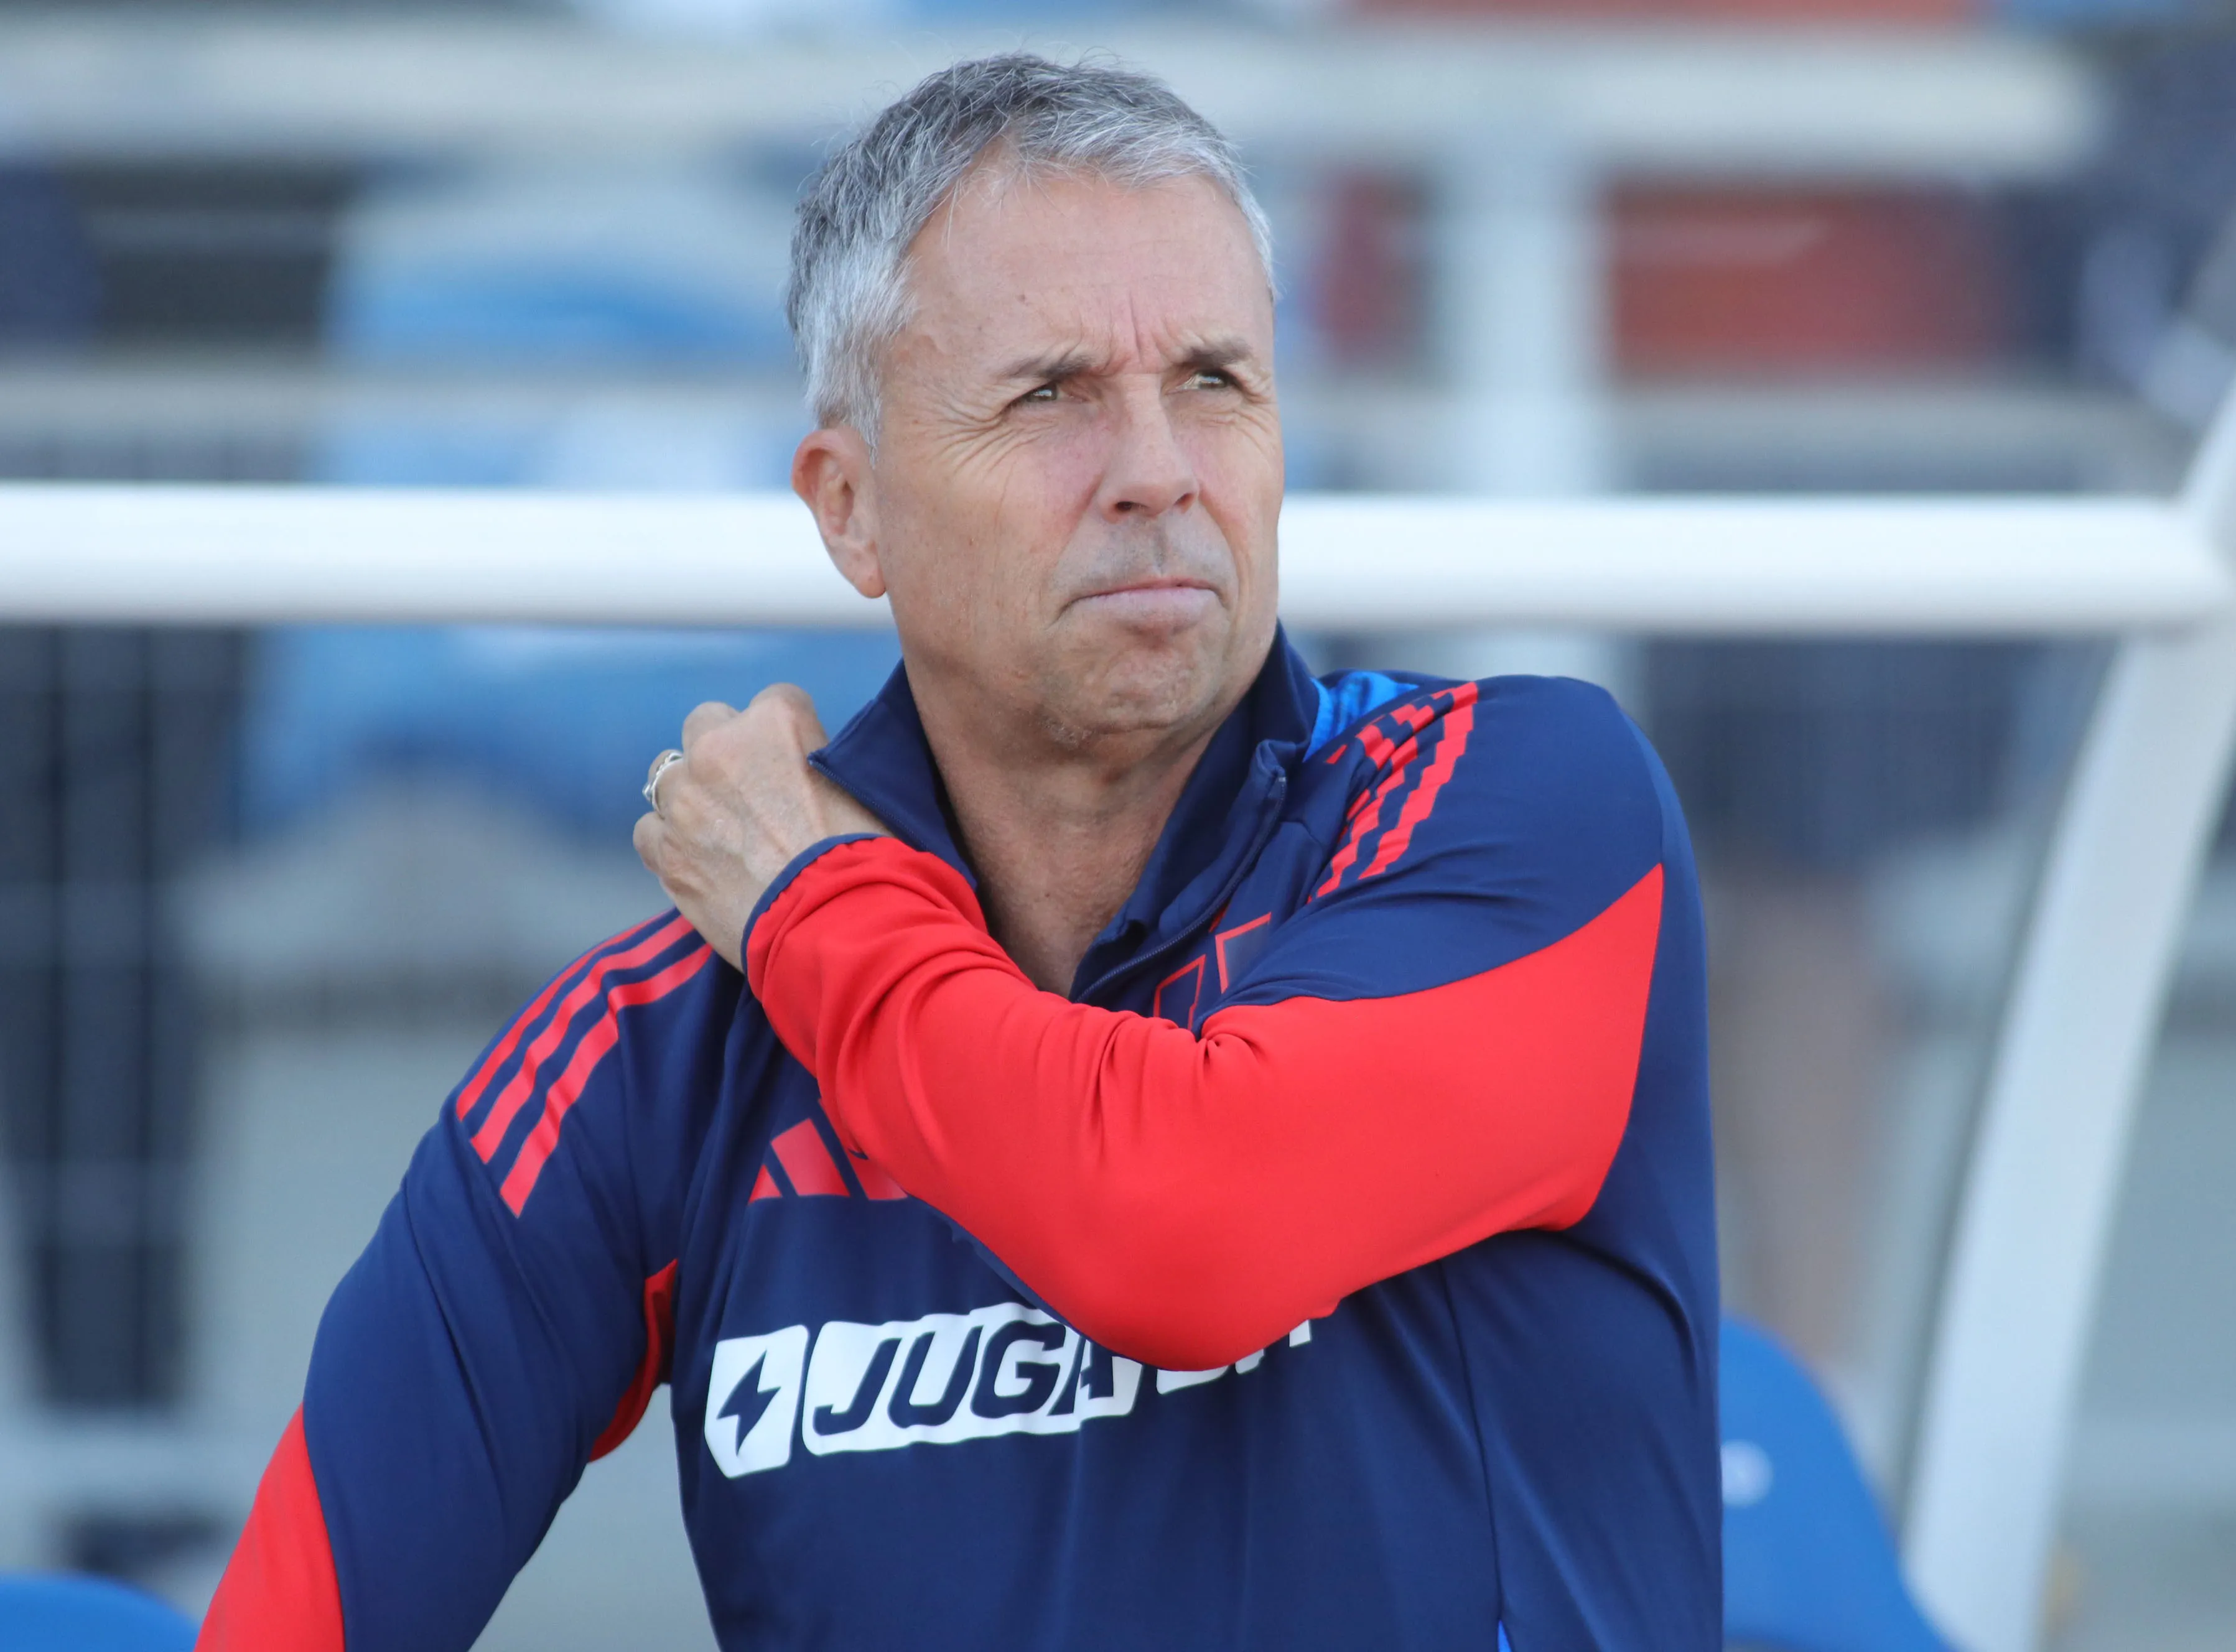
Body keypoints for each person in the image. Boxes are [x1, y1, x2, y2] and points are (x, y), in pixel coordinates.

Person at [200, 54, 1718, 1651]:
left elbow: (1178, 1223)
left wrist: (808, 907)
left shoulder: (1522, 804)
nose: (1158, 467)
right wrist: (808, 922)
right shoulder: (661, 1046)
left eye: (1215, 379)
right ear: (849, 508)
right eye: (1051, 393)